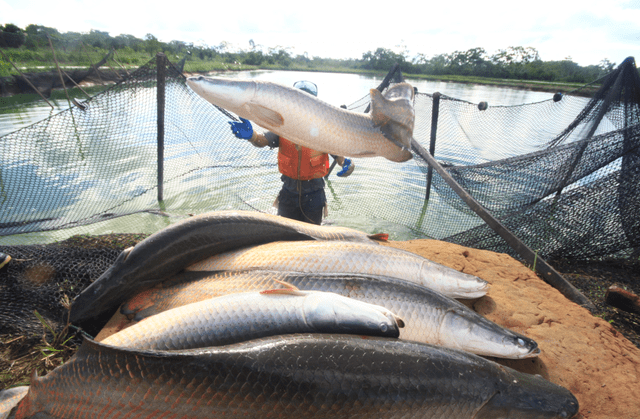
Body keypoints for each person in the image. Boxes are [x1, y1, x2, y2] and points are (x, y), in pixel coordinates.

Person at [229, 80, 354, 225]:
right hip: (288, 194)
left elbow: (341, 159)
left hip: (314, 195)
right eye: (298, 101)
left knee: (311, 238)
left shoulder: (323, 131)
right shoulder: (283, 126)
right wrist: (251, 136)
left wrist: (348, 166)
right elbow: (262, 140)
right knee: (285, 236)